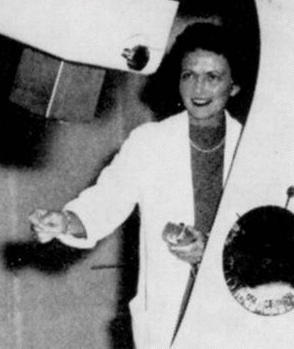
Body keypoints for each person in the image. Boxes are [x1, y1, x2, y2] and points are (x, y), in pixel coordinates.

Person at [28, 22, 253, 348]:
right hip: (170, 319)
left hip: (235, 317)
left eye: (212, 77)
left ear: (234, 86)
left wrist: (214, 250)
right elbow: (106, 201)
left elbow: (268, 242)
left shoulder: (254, 149)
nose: (198, 88)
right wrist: (66, 220)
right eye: (189, 75)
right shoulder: (149, 143)